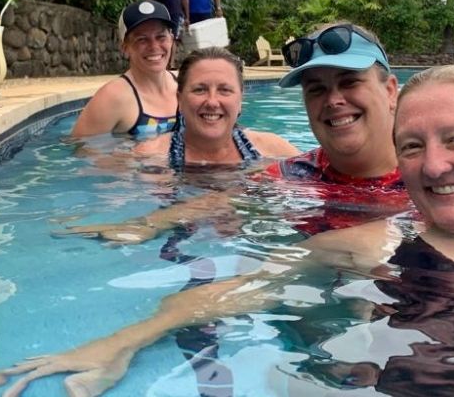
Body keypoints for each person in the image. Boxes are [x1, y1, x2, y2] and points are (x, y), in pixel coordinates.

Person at [0, 65, 454, 396]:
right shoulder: (383, 241)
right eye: (414, 147)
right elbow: (243, 288)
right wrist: (118, 341)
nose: (435, 165)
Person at [62, 23, 410, 243]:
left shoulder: (431, 173)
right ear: (179, 100)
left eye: (349, 82)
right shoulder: (298, 172)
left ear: (391, 90)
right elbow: (228, 198)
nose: (333, 100)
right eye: (316, 90)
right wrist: (147, 224)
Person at [132, 47, 299, 167]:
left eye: (224, 90)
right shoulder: (151, 157)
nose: (212, 102)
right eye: (200, 89)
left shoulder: (274, 151)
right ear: (180, 100)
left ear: (240, 101)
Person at [70, 0, 178, 137]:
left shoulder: (187, 85)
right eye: (142, 39)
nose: (154, 46)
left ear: (172, 40)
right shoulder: (112, 97)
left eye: (161, 37)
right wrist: (132, 155)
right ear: (125, 48)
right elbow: (79, 149)